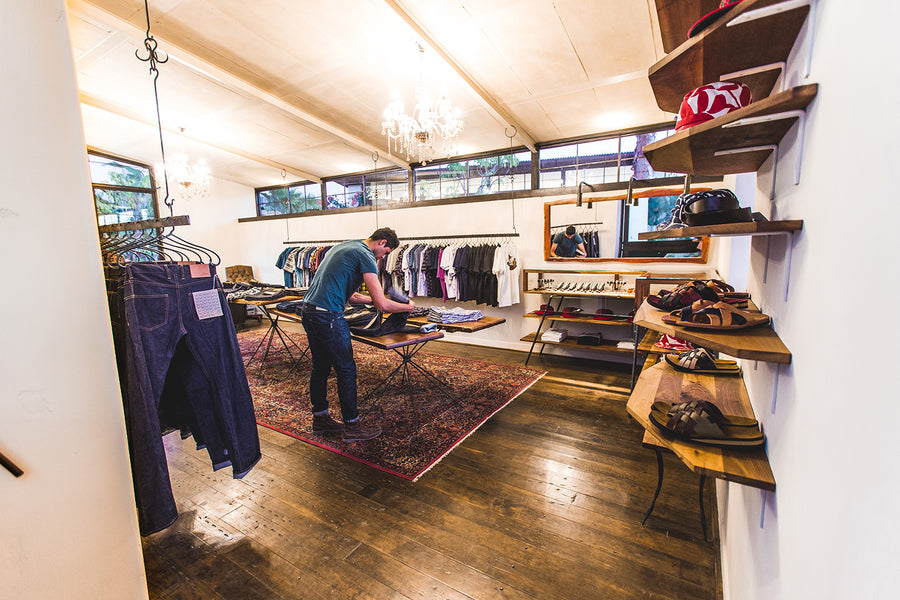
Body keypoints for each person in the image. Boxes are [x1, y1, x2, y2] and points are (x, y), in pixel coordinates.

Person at [300, 228, 414, 442]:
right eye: (386, 252)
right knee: (346, 369)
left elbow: (352, 296)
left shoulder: (346, 246)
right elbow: (382, 305)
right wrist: (408, 307)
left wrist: (373, 299)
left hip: (309, 311)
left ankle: (320, 419)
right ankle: (353, 426)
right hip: (328, 315)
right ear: (382, 243)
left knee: (320, 367)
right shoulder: (366, 255)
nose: (384, 257)